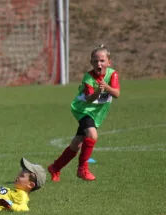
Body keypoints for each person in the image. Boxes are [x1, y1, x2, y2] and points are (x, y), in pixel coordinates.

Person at [48, 44, 121, 181]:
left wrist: (106, 87)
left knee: (76, 145)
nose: (98, 63)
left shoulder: (113, 74)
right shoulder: (88, 77)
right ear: (91, 62)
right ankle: (82, 169)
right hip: (82, 109)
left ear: (108, 63)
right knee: (92, 135)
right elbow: (88, 99)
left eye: (102, 61)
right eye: (95, 61)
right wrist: (99, 91)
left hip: (96, 113)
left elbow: (116, 93)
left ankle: (55, 167)